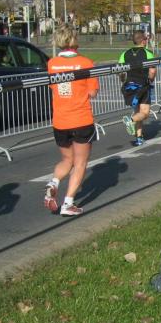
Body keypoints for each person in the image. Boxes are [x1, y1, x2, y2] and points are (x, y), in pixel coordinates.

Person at [44, 25, 99, 217]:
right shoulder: (86, 63)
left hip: (60, 120)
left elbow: (53, 87)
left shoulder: (52, 63)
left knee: (67, 160)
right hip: (81, 118)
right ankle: (68, 202)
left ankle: (54, 182)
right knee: (80, 162)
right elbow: (92, 92)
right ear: (75, 40)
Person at [119, 30, 156, 146]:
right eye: (146, 39)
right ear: (143, 41)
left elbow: (120, 71)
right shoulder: (148, 53)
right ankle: (130, 120)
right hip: (142, 86)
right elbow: (152, 71)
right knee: (145, 113)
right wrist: (151, 79)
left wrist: (123, 80)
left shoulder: (125, 54)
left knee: (137, 112)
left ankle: (139, 137)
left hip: (129, 86)